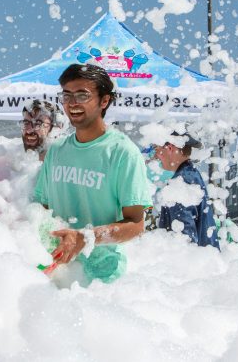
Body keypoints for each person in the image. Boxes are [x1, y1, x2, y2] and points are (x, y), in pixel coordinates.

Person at [34, 63, 153, 283]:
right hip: (58, 271)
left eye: (82, 95)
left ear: (104, 100)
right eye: (67, 96)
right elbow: (41, 209)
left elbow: (136, 225)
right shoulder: (57, 151)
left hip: (101, 279)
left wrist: (85, 238)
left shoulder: (123, 152)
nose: (73, 104)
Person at [152, 132, 220, 249]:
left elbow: (185, 242)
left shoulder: (181, 183)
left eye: (156, 149)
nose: (155, 156)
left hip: (190, 265)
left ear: (169, 148)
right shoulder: (191, 175)